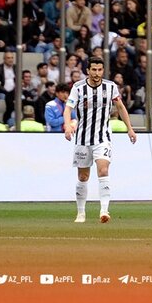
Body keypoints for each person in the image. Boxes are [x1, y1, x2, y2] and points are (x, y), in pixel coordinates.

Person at [63, 57, 137, 224]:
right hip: (82, 139)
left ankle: (104, 210)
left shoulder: (110, 87)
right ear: (88, 71)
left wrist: (130, 128)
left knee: (103, 170)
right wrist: (67, 126)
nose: (97, 73)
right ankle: (81, 212)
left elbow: (120, 107)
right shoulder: (78, 87)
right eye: (94, 70)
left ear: (103, 70)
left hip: (102, 137)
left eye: (100, 70)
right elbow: (68, 109)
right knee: (83, 176)